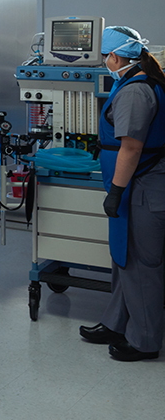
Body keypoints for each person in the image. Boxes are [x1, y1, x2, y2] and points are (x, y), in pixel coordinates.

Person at [78, 26, 165, 362]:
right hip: (136, 185)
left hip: (141, 187)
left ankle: (145, 341)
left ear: (115, 56)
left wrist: (115, 191)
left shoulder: (135, 92)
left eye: (105, 56)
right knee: (122, 259)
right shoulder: (137, 83)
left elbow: (131, 147)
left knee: (141, 265)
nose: (104, 62)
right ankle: (116, 323)